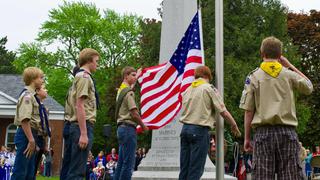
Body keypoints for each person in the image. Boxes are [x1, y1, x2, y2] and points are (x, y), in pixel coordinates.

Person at [240, 36, 313, 179]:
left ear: (262, 54)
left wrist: (247, 138)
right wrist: (290, 65)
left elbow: (249, 110)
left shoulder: (253, 77)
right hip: (287, 133)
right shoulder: (289, 74)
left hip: (263, 134)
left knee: (262, 176)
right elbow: (309, 87)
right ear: (280, 56)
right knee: (290, 176)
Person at [179, 65, 241, 180]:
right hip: (199, 130)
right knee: (195, 170)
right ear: (208, 76)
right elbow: (223, 111)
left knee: (184, 169)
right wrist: (234, 124)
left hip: (185, 130)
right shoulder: (208, 88)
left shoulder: (187, 90)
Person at [66, 48, 100, 179]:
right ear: (88, 61)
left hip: (81, 126)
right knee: (77, 172)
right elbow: (79, 105)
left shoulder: (82, 77)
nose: (97, 64)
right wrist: (84, 134)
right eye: (96, 61)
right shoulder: (84, 77)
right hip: (82, 127)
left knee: (76, 169)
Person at [114, 66, 149, 180]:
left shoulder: (121, 90)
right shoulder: (128, 93)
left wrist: (137, 75)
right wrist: (143, 126)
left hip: (121, 129)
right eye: (132, 75)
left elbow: (130, 87)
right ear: (126, 76)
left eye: (135, 75)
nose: (135, 78)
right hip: (128, 129)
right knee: (128, 164)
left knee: (121, 163)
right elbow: (134, 113)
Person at [11, 67, 44, 180]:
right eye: (41, 78)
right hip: (26, 135)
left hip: (31, 134)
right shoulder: (27, 96)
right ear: (33, 79)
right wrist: (31, 140)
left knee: (29, 174)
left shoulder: (33, 96)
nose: (43, 80)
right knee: (20, 172)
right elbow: (25, 120)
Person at [60, 66, 80, 180]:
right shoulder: (76, 88)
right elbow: (78, 107)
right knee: (74, 162)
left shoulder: (71, 88)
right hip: (73, 124)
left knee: (68, 161)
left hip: (68, 124)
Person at [33, 84, 51, 179]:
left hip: (41, 139)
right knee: (30, 167)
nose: (46, 90)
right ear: (37, 91)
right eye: (44, 88)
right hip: (34, 138)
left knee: (35, 167)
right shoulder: (33, 104)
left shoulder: (44, 108)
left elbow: (46, 128)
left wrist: (46, 144)